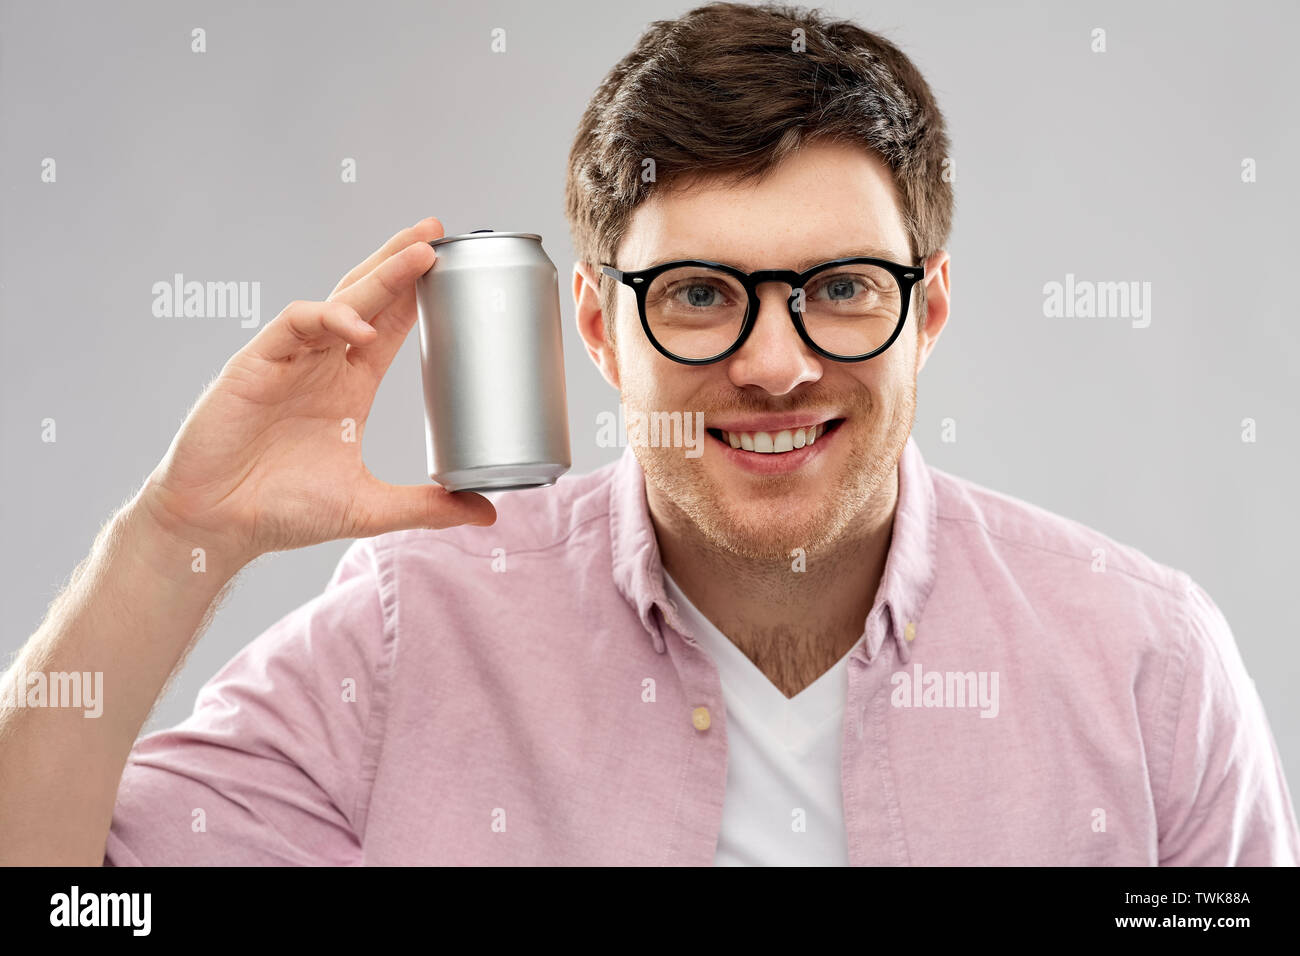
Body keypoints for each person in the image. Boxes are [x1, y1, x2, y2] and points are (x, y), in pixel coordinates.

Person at [2, 1, 1295, 866]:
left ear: (930, 309)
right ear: (599, 328)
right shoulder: (413, 634)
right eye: (697, 296)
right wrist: (179, 533)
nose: (776, 365)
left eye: (842, 288)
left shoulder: (1149, 674)